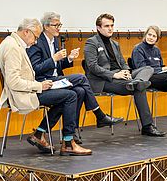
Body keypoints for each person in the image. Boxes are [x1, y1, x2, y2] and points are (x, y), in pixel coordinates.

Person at [0, 18, 91, 156]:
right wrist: (40, 85)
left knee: (73, 91)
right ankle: (68, 143)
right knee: (71, 95)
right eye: (35, 37)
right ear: (26, 32)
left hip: (29, 90)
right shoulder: (13, 48)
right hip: (23, 94)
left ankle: (41, 134)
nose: (35, 41)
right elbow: (14, 82)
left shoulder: (13, 43)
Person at [27, 12, 123, 144]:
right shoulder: (37, 42)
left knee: (79, 92)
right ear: (46, 26)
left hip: (55, 80)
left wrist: (69, 59)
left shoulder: (54, 39)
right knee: (81, 78)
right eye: (56, 25)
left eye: (60, 25)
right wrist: (54, 58)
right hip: (42, 82)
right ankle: (99, 115)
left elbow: (57, 66)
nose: (58, 28)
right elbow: (35, 69)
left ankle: (55, 133)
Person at [84, 13, 166, 137]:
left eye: (112, 25)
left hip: (122, 77)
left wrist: (127, 71)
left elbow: (122, 62)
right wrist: (114, 75)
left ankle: (136, 81)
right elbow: (92, 67)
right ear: (98, 28)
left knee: (148, 69)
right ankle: (147, 126)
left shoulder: (115, 44)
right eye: (107, 26)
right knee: (140, 88)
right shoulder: (91, 42)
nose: (110, 28)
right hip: (104, 80)